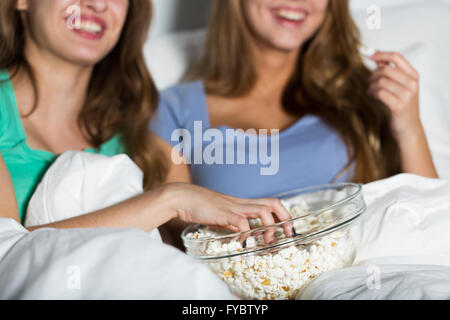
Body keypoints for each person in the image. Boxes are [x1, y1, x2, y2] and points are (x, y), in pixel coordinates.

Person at [150, 0, 438, 246]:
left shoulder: (363, 97)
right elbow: (180, 233)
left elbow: (430, 224)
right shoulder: (173, 109)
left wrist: (409, 129)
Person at [0, 0, 291, 234]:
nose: (98, 5)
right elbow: (8, 255)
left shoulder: (137, 122)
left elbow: (184, 244)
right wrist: (170, 200)